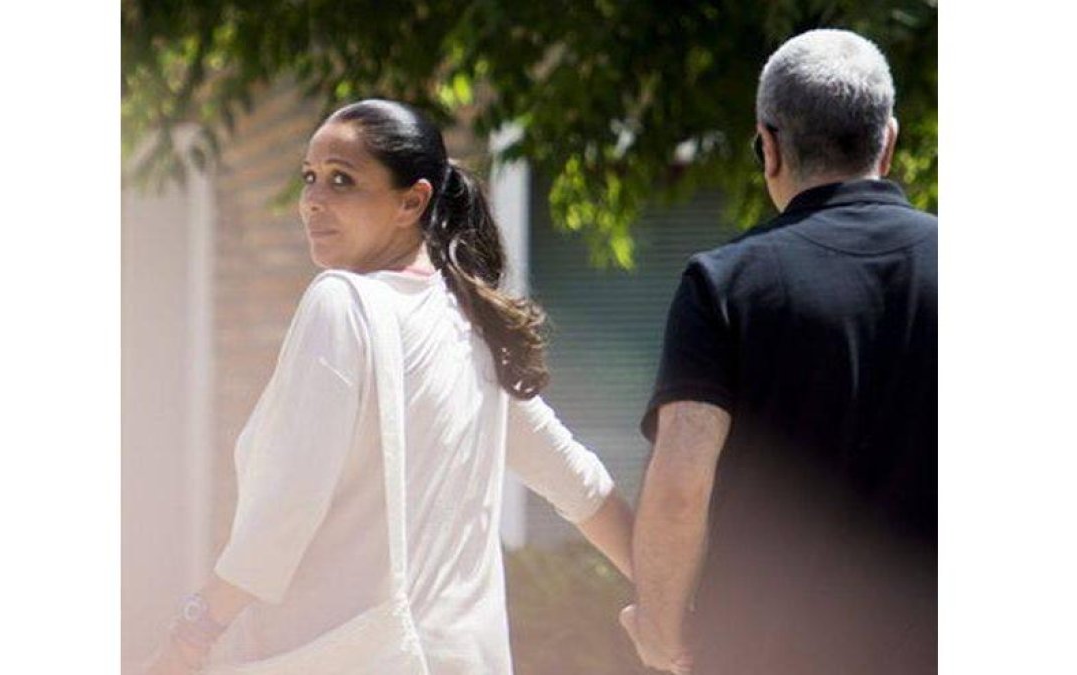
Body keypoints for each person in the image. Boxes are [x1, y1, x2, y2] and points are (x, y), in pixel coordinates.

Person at [143, 99, 635, 674]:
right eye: (310, 178)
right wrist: (680, 603)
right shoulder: (469, 325)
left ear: (413, 201)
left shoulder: (341, 303)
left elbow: (283, 513)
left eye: (342, 181)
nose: (313, 202)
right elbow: (580, 484)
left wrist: (194, 630)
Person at [621, 29, 937, 674]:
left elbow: (681, 485)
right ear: (890, 140)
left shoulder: (723, 282)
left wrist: (659, 627)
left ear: (767, 146)